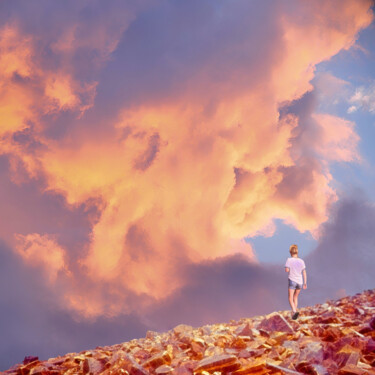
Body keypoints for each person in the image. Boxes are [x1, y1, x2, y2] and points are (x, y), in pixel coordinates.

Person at [284, 244, 307, 320]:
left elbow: (286, 270)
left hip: (292, 280)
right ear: (297, 252)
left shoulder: (289, 260)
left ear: (290, 252)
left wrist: (291, 269)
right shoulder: (301, 261)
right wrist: (305, 283)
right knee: (295, 297)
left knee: (290, 297)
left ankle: (294, 311)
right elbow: (304, 272)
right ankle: (295, 313)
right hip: (300, 281)